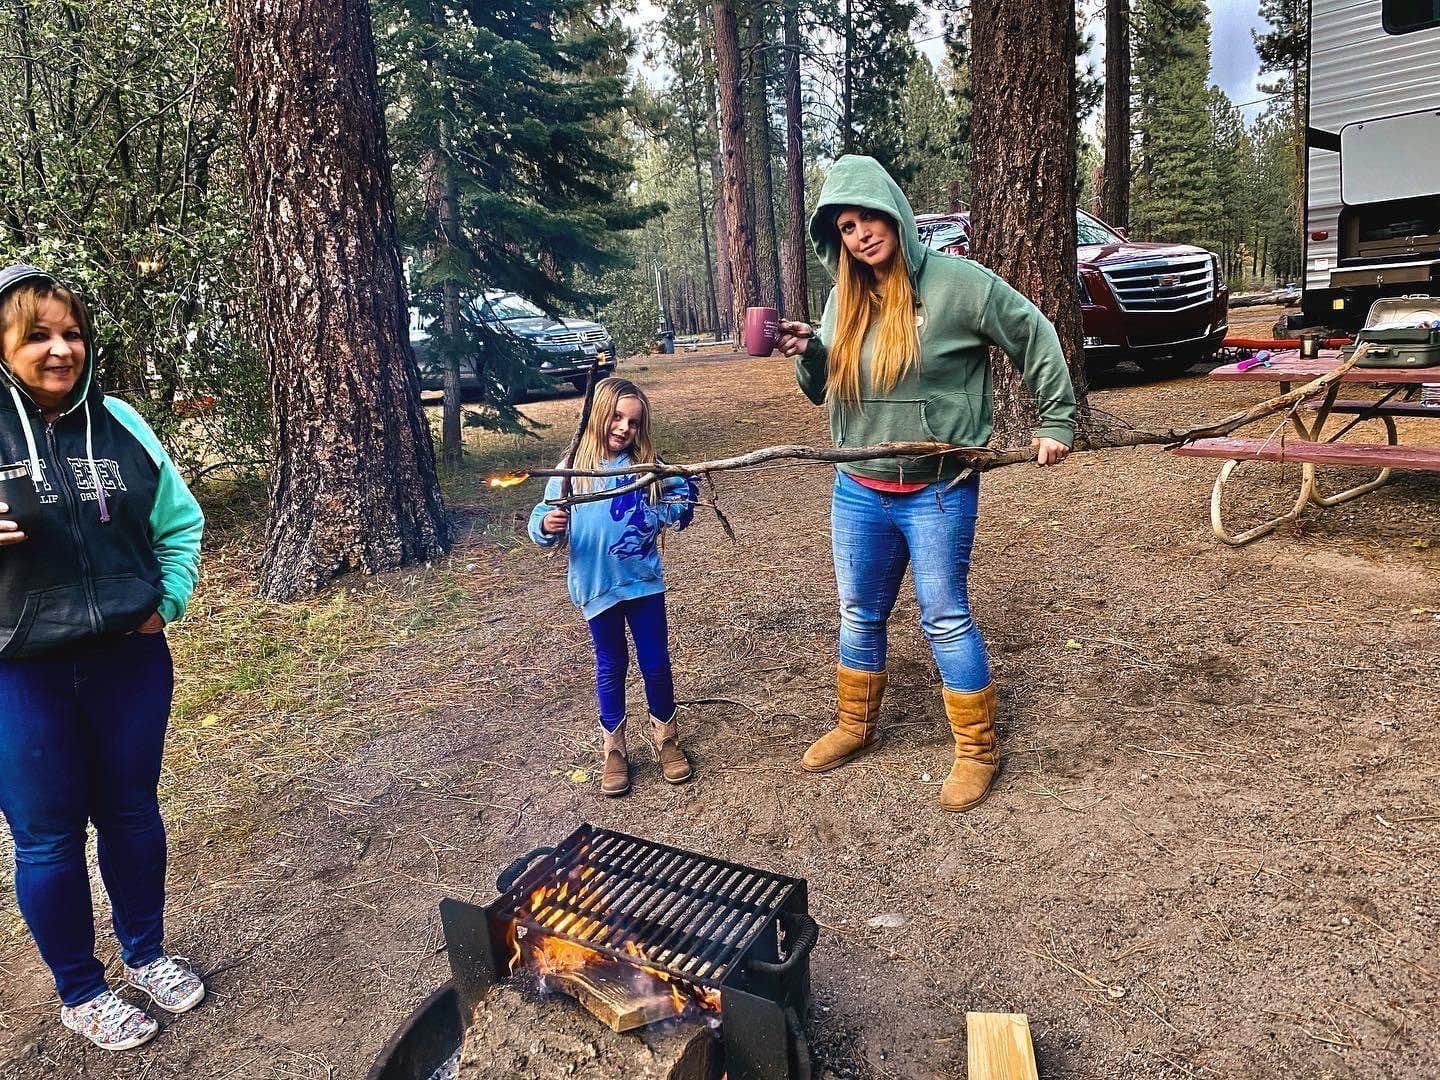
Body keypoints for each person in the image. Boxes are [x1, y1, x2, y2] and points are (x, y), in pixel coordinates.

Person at [776, 156, 1076, 813]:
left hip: (939, 488)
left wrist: (1055, 419)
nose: (860, 234)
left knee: (943, 616)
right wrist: (811, 354)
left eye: (868, 216)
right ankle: (856, 726)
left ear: (894, 212)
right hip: (858, 486)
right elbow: (821, 391)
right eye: (845, 226)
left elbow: (1033, 332)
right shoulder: (842, 300)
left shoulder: (957, 285)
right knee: (860, 613)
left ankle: (978, 751)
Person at [0, 265, 206, 1050]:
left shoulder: (122, 423)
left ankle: (146, 952)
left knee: (131, 811)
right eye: (38, 335)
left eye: (72, 333)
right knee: (47, 836)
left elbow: (178, 523)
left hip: (129, 660)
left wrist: (167, 601)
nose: (61, 350)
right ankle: (81, 991)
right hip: (20, 671)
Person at [528, 377, 699, 797]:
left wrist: (667, 513)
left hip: (642, 583)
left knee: (655, 663)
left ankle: (666, 737)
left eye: (634, 422)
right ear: (596, 415)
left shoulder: (645, 467)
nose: (624, 428)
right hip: (597, 587)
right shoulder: (570, 474)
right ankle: (614, 748)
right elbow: (543, 518)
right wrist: (547, 525)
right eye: (617, 417)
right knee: (611, 665)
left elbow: (683, 493)